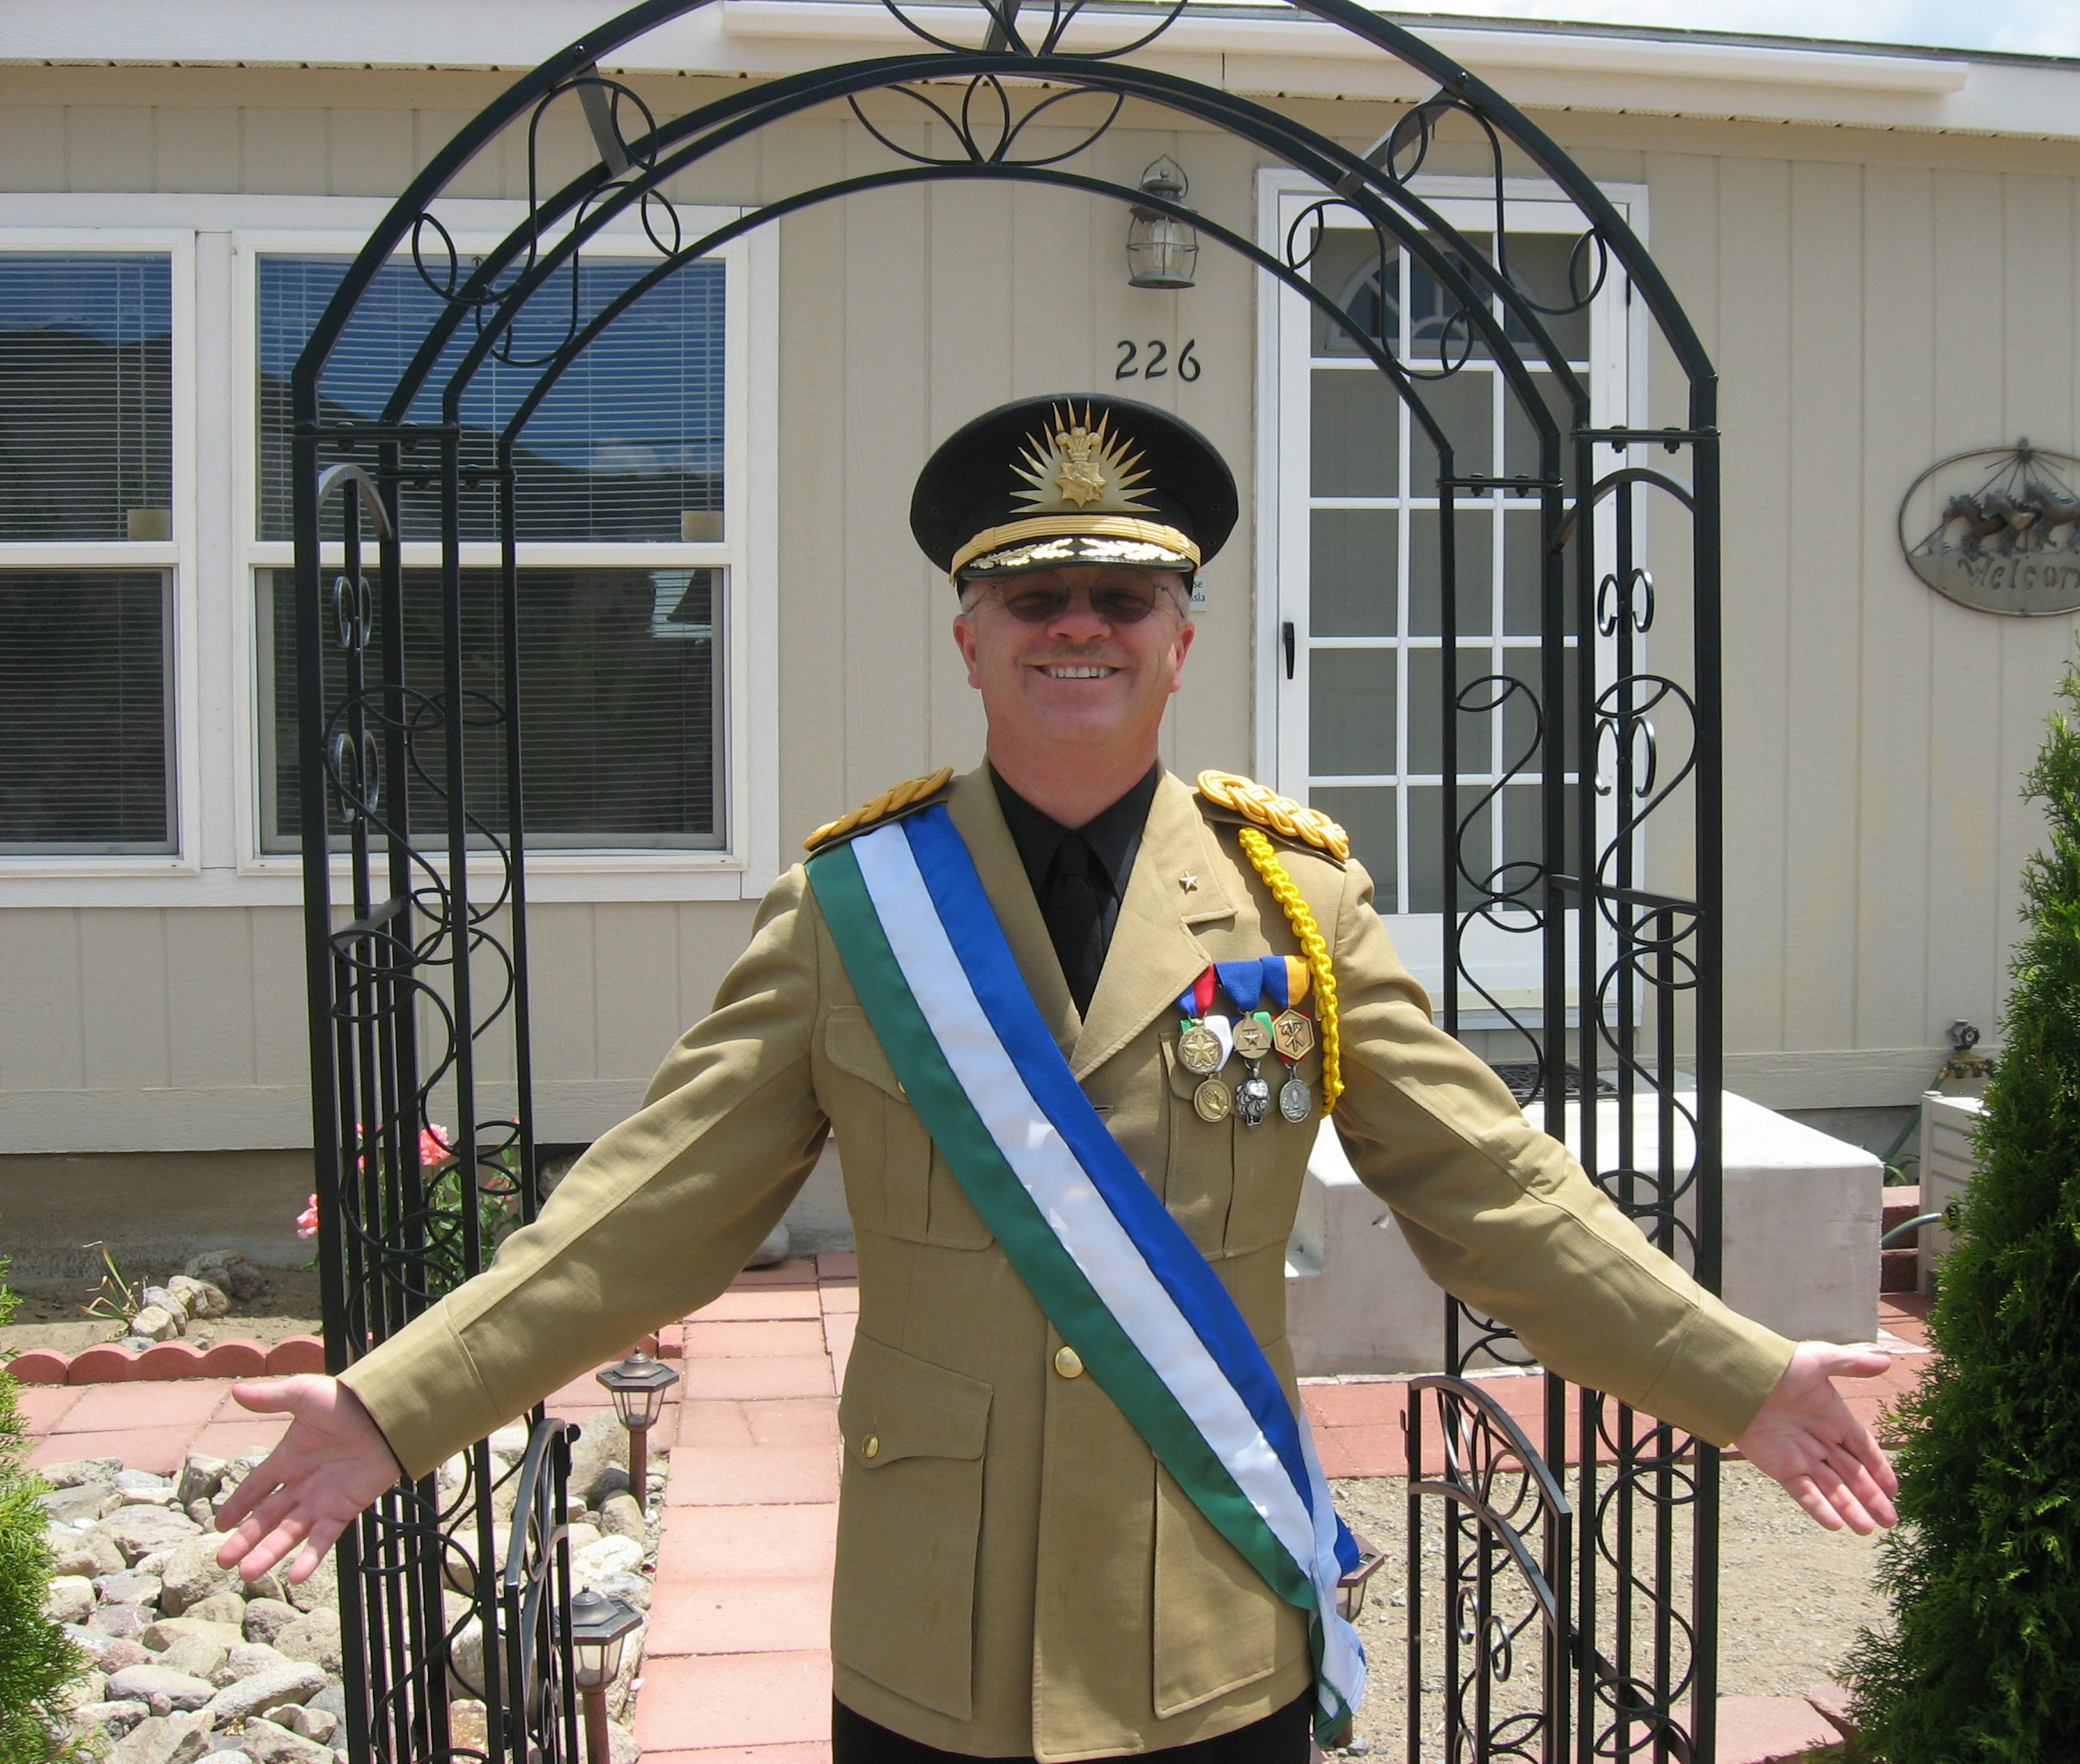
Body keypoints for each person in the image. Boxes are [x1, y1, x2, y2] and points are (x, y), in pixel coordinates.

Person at [214, 394, 1896, 1764]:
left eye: (1121, 599)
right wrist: (391, 1407)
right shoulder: (851, 912)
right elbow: (643, 1219)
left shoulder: (1298, 903)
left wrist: (1742, 1378)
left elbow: (1495, 1197)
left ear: (1183, 636)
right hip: (940, 1626)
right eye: (1035, 597)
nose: (1076, 627)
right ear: (971, 635)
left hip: (1209, 1599)